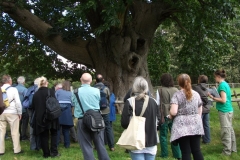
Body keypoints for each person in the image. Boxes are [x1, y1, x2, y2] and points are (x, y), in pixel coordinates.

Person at [72, 73, 110, 160]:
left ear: (81, 80)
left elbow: (74, 103)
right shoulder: (97, 91)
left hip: (82, 120)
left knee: (86, 146)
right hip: (97, 119)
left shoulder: (75, 92)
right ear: (91, 80)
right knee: (100, 145)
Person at [121, 76, 160, 160]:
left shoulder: (130, 101)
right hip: (151, 140)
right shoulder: (154, 102)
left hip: (136, 140)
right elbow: (159, 121)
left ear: (134, 87)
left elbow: (124, 123)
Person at [169, 74, 204, 160]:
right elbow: (200, 109)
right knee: (196, 150)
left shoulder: (177, 95)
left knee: (185, 152)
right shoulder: (196, 94)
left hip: (182, 126)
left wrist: (170, 114)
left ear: (179, 83)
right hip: (196, 124)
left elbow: (174, 111)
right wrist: (196, 118)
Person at [209, 69, 237, 155]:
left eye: (215, 77)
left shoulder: (221, 85)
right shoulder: (226, 84)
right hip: (228, 109)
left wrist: (212, 97)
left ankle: (226, 152)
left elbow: (223, 100)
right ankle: (233, 149)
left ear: (218, 77)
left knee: (225, 130)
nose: (215, 79)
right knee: (230, 129)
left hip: (224, 110)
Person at [32, 76, 60, 158]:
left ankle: (46, 153)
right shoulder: (51, 91)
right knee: (54, 133)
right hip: (51, 116)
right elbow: (55, 103)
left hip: (40, 118)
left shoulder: (36, 94)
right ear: (46, 83)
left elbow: (33, 106)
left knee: (44, 135)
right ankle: (54, 152)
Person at [157, 73, 181, 159]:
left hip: (164, 115)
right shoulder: (176, 90)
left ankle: (164, 154)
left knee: (163, 135)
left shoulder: (160, 90)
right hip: (175, 114)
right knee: (175, 134)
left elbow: (158, 104)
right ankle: (177, 154)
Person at [0, 75, 23, 155]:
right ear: (9, 81)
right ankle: (17, 149)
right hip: (12, 112)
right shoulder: (13, 89)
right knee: (15, 131)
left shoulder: (0, 89)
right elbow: (18, 102)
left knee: (1, 132)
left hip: (1, 112)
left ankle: (0, 150)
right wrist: (20, 112)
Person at [94, 74, 115, 151]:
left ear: (95, 81)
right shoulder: (106, 88)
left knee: (96, 128)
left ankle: (97, 146)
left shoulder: (92, 89)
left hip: (96, 111)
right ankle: (111, 146)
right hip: (105, 110)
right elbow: (108, 99)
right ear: (103, 80)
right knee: (108, 127)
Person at [192, 75, 212, 144]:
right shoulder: (207, 88)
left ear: (199, 80)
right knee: (206, 125)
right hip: (207, 108)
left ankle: (196, 140)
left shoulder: (195, 88)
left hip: (199, 108)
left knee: (197, 125)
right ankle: (207, 139)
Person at [56, 80, 74, 148]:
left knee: (57, 129)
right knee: (66, 130)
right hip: (67, 112)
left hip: (58, 112)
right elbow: (72, 103)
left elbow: (54, 100)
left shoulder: (58, 91)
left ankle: (56, 144)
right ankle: (67, 144)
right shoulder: (70, 93)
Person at [28, 78, 41, 151]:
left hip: (30, 110)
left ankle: (33, 146)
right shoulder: (38, 90)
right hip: (37, 110)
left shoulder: (30, 89)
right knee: (38, 127)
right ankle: (38, 145)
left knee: (32, 127)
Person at [15, 76, 28, 141]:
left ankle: (18, 136)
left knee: (17, 123)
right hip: (23, 109)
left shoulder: (14, 89)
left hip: (15, 109)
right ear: (23, 82)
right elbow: (26, 99)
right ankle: (23, 136)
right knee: (24, 123)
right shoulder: (25, 90)